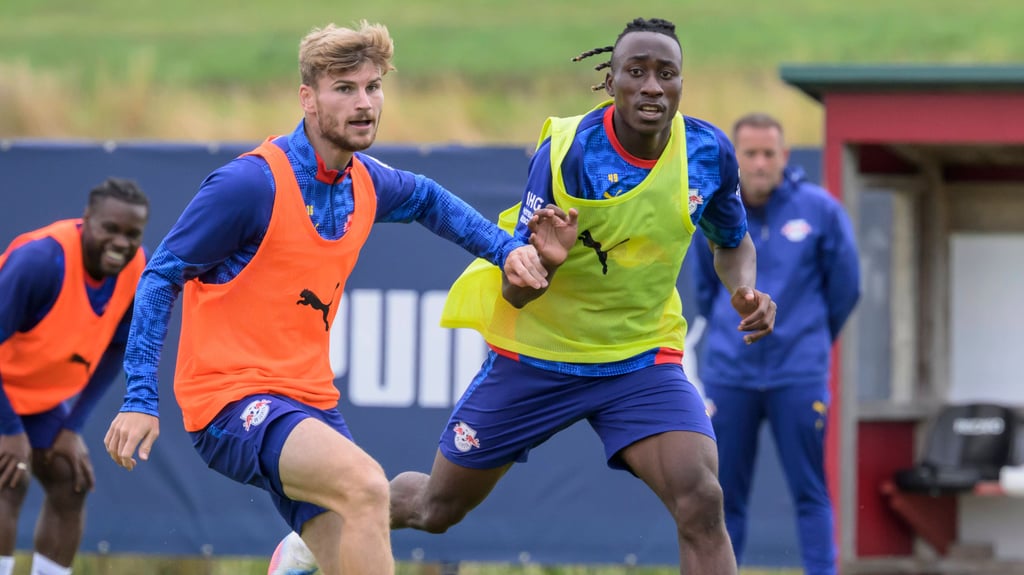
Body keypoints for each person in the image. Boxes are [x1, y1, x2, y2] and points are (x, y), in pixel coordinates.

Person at [273, 16, 778, 575]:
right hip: (538, 354)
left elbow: (733, 243)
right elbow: (514, 290)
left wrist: (747, 288)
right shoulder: (570, 154)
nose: (652, 86)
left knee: (702, 501)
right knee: (438, 508)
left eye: (667, 74)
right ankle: (309, 539)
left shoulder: (708, 151)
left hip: (639, 359)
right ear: (609, 82)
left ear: (683, 83)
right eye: (636, 72)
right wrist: (545, 263)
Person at [101, 21, 559, 575]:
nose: (364, 103)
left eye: (373, 87)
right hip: (228, 402)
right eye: (344, 88)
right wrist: (140, 397)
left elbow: (429, 201)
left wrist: (505, 249)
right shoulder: (250, 185)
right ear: (308, 99)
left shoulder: (366, 181)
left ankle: (294, 561)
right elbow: (160, 276)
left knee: (355, 526)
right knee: (368, 485)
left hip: (311, 403)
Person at [692, 113, 860, 575]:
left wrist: (808, 338)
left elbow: (846, 289)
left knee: (811, 491)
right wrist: (732, 334)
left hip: (798, 375)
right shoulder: (714, 210)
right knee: (722, 496)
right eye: (751, 153)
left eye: (770, 153)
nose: (761, 163)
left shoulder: (820, 210)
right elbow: (705, 294)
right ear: (735, 159)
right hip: (730, 374)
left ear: (785, 157)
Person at [0, 178, 149, 575]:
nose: (121, 242)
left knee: (71, 479)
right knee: (8, 477)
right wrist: (9, 432)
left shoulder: (137, 269)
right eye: (110, 229)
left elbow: (119, 347)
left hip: (38, 400)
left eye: (132, 233)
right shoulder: (40, 261)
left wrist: (71, 427)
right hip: (4, 394)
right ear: (86, 221)